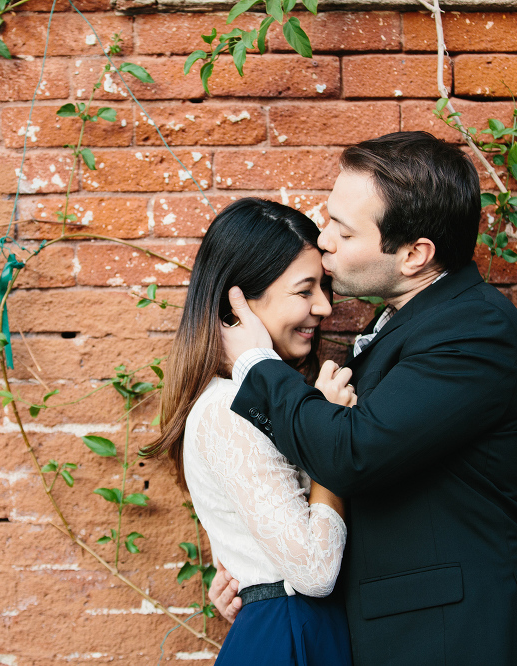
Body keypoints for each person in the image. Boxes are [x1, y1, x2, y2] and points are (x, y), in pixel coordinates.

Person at [214, 132, 517, 666]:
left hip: (461, 637)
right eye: (328, 218)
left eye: (343, 230)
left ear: (414, 254)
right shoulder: (408, 324)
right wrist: (262, 573)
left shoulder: (473, 330)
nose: (324, 239)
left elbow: (351, 455)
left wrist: (256, 364)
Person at [142, 197, 355, 666]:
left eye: (325, 287)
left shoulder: (250, 400)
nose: (324, 306)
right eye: (305, 291)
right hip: (292, 634)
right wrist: (332, 439)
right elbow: (316, 571)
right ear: (238, 304)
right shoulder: (224, 409)